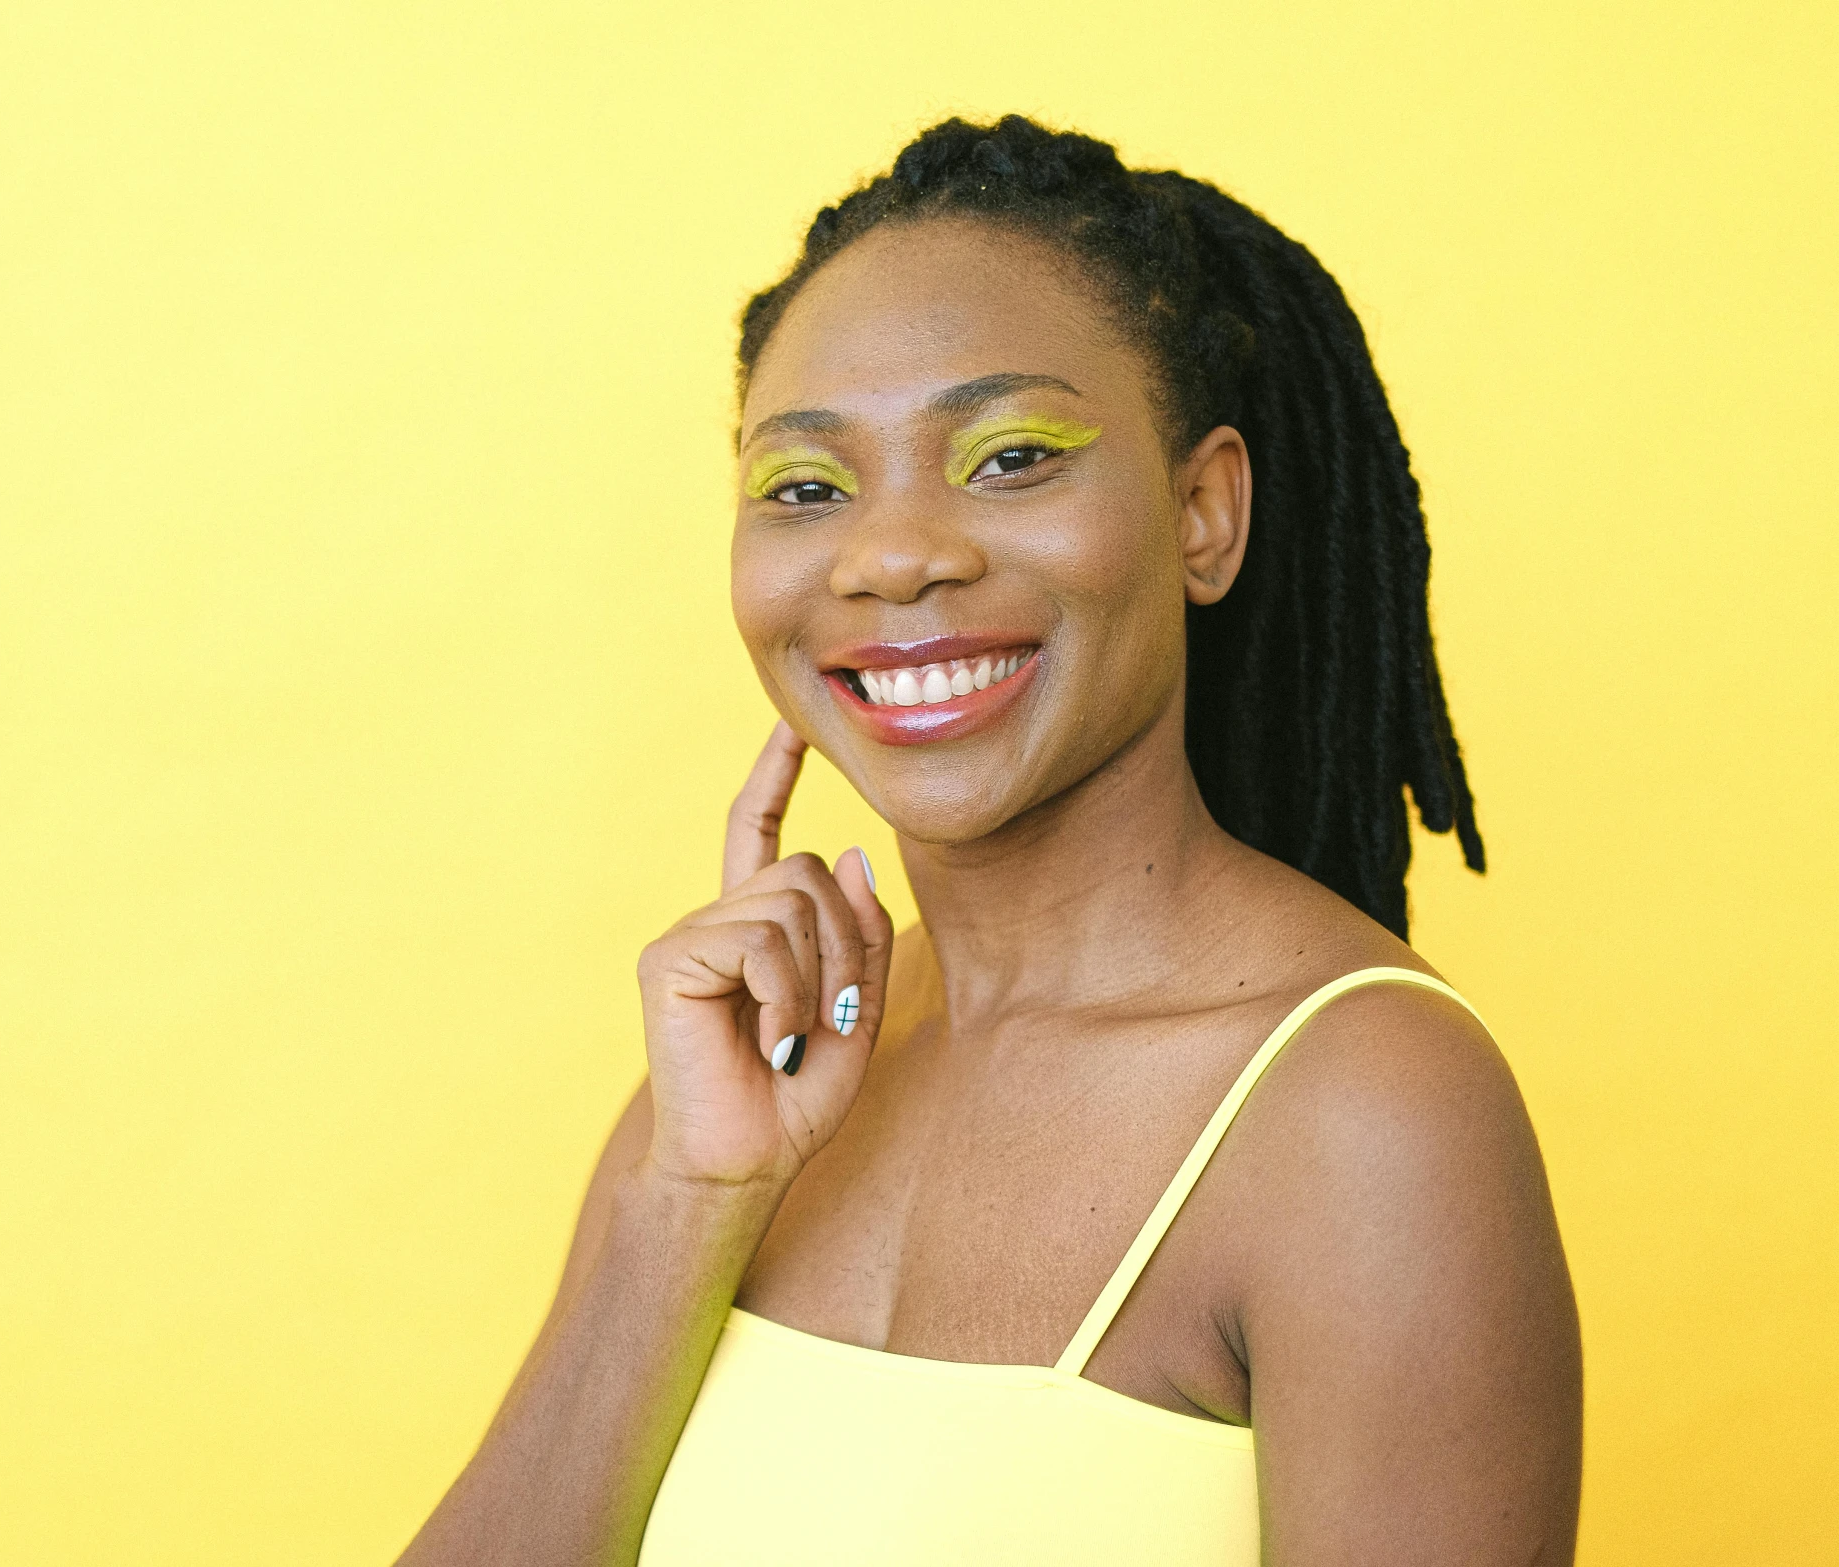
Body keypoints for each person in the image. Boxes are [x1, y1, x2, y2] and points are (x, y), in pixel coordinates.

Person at [397, 115, 1581, 1566]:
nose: (892, 554)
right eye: (805, 487)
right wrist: (687, 1201)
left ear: (1203, 512)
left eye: (1011, 456)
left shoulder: (1361, 1112)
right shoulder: (735, 1090)